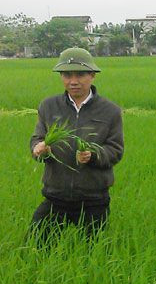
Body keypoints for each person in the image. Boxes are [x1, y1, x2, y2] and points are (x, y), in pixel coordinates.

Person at [29, 47, 124, 243]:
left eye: (80, 74)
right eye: (67, 75)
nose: (73, 81)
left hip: (93, 198)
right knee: (36, 246)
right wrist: (40, 149)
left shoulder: (110, 111)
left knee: (93, 254)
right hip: (56, 196)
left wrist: (93, 155)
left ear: (92, 75)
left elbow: (115, 150)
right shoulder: (48, 106)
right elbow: (37, 138)